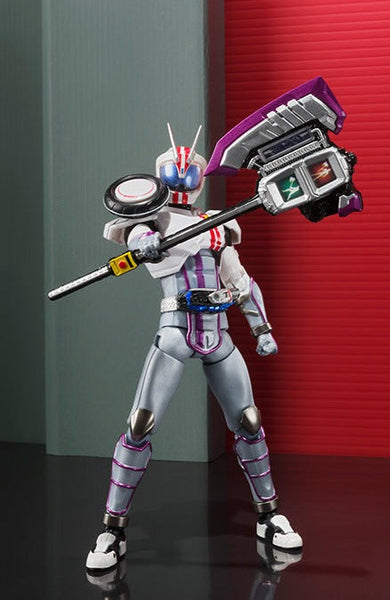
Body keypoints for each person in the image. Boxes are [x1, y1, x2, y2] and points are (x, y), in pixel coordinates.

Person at [86, 125, 303, 571]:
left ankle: (269, 515)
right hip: (176, 330)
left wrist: (261, 328)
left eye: (189, 172)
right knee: (140, 424)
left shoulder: (218, 224)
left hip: (217, 330)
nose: (183, 177)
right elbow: (133, 235)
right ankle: (112, 530)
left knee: (249, 421)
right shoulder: (156, 221)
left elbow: (239, 281)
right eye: (175, 170)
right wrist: (143, 242)